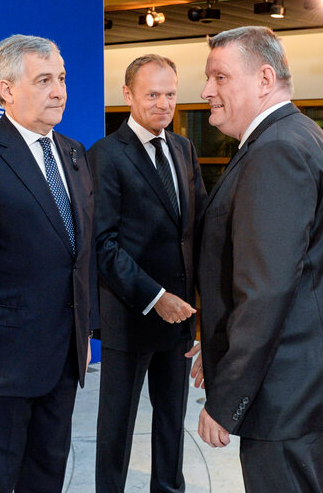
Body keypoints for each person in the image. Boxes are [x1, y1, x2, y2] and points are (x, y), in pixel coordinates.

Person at [190, 26, 323, 492]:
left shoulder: (275, 150)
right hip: (304, 385)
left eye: (219, 76)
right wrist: (216, 349)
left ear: (264, 78)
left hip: (292, 393)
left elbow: (267, 291)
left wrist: (227, 395)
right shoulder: (296, 134)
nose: (206, 90)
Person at [0, 34, 97, 493]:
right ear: (6, 89)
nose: (60, 91)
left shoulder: (74, 153)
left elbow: (77, 255)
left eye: (62, 79)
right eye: (44, 80)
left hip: (62, 360)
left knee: (46, 479)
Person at [89, 54, 206, 492]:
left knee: (172, 421)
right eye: (152, 94)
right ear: (128, 95)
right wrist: (156, 297)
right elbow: (104, 245)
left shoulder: (183, 149)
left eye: (170, 94)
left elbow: (197, 226)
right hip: (132, 314)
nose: (163, 104)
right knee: (116, 427)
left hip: (181, 320)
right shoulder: (105, 154)